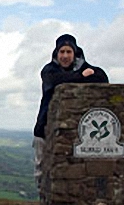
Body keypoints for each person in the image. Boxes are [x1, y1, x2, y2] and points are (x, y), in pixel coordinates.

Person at [33, 34, 109, 188]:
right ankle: (43, 198)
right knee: (41, 167)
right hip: (43, 126)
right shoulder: (48, 70)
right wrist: (81, 76)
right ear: (56, 53)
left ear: (75, 53)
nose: (65, 56)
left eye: (69, 52)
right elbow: (55, 81)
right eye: (62, 52)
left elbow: (101, 77)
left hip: (75, 129)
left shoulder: (87, 67)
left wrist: (76, 76)